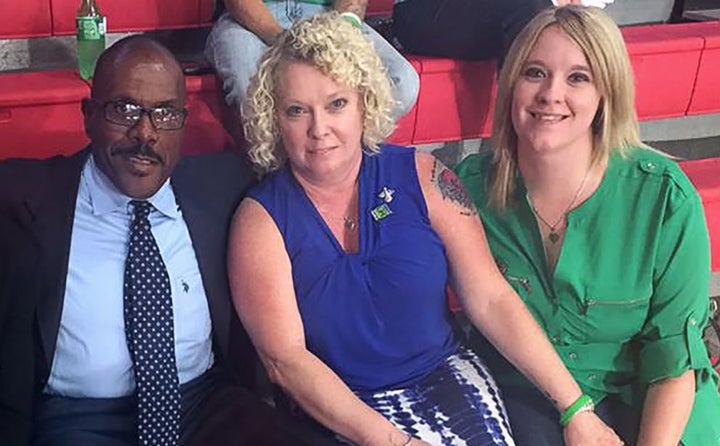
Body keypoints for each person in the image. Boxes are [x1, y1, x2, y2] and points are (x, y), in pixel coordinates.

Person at [229, 12, 624, 446]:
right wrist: (394, 442)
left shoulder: (422, 175)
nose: (319, 128)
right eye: (297, 110)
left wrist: (575, 408)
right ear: (275, 118)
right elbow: (286, 361)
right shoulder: (261, 220)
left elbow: (491, 298)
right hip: (341, 410)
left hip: (448, 379)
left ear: (364, 101)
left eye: (336, 104)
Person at [0, 35, 337, 446]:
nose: (146, 133)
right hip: (80, 418)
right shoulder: (22, 195)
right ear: (88, 115)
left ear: (183, 120)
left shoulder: (224, 186)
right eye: (124, 110)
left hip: (205, 405)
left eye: (165, 114)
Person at [455, 5, 720, 446]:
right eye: (534, 72)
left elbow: (673, 363)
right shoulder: (467, 191)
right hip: (526, 396)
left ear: (606, 94)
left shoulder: (663, 197)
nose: (550, 94)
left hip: (649, 398)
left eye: (578, 77)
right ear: (509, 85)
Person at [204, 0, 419, 139]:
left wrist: (340, 32)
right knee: (249, 86)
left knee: (401, 81)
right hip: (249, 21)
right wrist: (283, 41)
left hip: (326, 14)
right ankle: (278, 176)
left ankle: (343, 159)